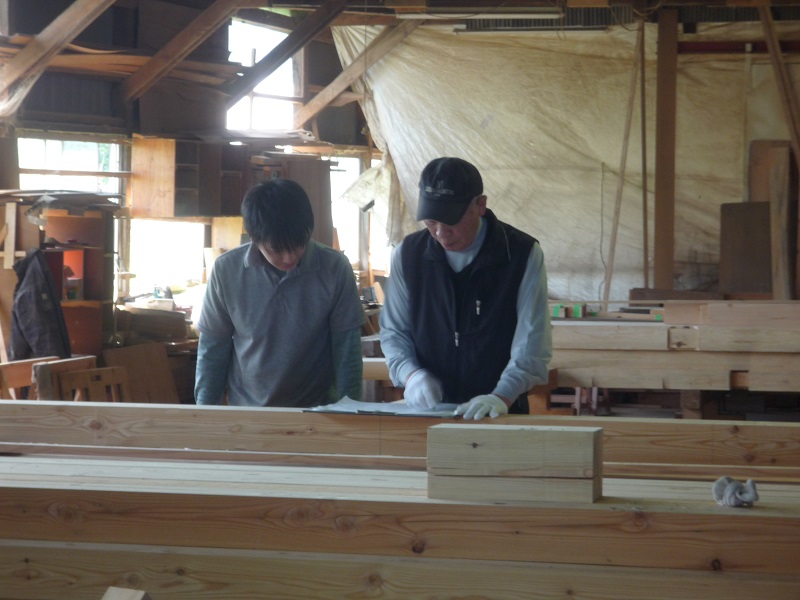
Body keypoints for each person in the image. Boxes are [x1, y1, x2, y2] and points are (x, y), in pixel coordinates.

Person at [379, 157, 552, 420]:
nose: (440, 232)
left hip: (500, 412)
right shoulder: (408, 256)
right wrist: (411, 375)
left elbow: (532, 341)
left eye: (451, 221)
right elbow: (394, 332)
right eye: (431, 221)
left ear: (480, 204)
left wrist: (501, 396)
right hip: (430, 413)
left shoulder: (520, 254)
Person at [195, 178, 364, 407]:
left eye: (298, 245)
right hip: (248, 412)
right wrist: (205, 415)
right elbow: (213, 350)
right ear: (254, 238)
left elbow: (347, 351)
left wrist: (350, 410)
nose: (289, 257)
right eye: (277, 249)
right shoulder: (227, 271)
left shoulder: (335, 269)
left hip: (317, 412)